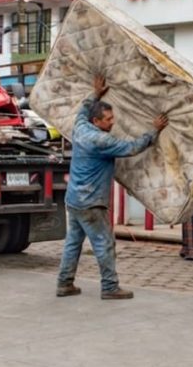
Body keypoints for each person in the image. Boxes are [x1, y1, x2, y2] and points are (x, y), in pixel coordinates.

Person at [56, 75, 168, 300]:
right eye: (108, 119)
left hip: (74, 199)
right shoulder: (101, 141)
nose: (113, 122)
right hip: (91, 202)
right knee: (104, 243)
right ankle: (109, 287)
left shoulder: (80, 127)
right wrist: (154, 130)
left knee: (73, 243)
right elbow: (132, 147)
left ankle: (64, 284)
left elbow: (83, 109)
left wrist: (96, 94)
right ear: (96, 121)